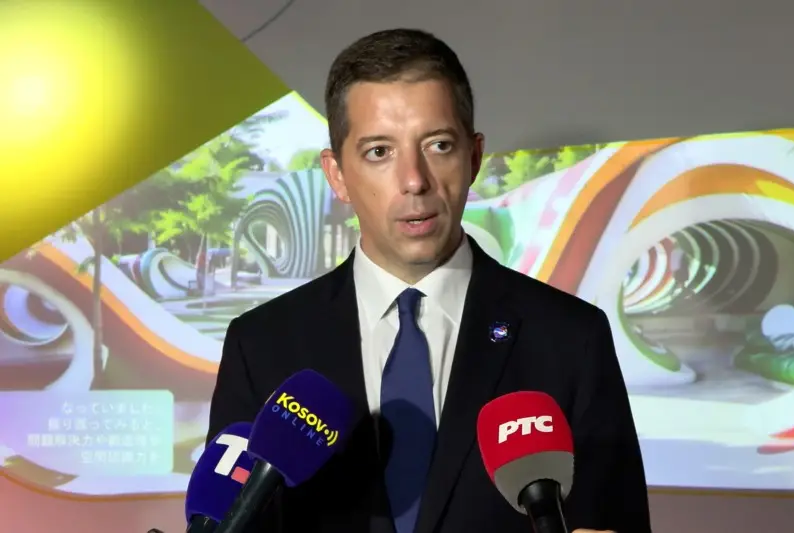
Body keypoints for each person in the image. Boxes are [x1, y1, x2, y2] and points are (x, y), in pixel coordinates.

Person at [207, 28, 651, 533]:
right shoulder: (261, 346)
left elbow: (615, 520)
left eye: (439, 145)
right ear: (337, 175)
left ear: (474, 157)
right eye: (379, 151)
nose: (414, 180)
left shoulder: (571, 339)